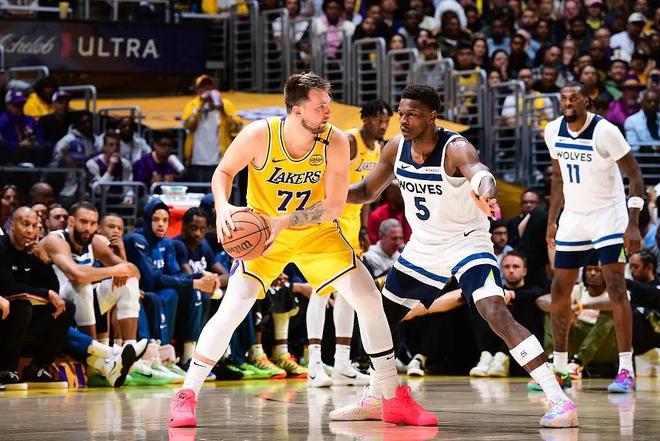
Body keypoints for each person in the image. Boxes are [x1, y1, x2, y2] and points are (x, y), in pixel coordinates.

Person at [169, 73, 435, 428]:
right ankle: (187, 394)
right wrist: (223, 206)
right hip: (264, 236)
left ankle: (390, 396)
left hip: (315, 233)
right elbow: (224, 172)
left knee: (370, 300)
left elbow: (334, 206)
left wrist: (284, 222)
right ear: (296, 110)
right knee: (233, 308)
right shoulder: (259, 134)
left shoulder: (335, 141)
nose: (328, 111)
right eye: (320, 106)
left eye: (329, 103)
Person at [336, 84, 577, 428]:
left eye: (412, 115)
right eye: (401, 114)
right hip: (423, 247)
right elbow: (365, 191)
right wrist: (330, 194)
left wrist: (486, 193)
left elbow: (481, 175)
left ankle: (558, 399)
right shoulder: (395, 148)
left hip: (468, 244)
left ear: (432, 116)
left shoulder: (456, 148)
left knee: (495, 312)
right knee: (380, 317)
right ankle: (377, 397)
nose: (403, 121)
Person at [543, 81, 645, 394]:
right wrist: (552, 220)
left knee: (616, 286)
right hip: (574, 216)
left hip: (608, 216)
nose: (567, 102)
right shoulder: (552, 130)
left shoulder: (606, 131)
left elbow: (635, 176)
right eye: (563, 98)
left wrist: (633, 223)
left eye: (574, 97)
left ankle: (626, 370)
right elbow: (558, 178)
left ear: (587, 100)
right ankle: (560, 369)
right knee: (559, 290)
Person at [306, 100, 392, 388]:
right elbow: (322, 180)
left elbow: (367, 195)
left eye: (386, 121)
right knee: (321, 290)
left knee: (349, 294)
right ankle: (314, 365)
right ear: (365, 119)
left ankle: (342, 364)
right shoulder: (350, 142)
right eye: (378, 120)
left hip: (352, 225)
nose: (383, 125)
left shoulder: (379, 149)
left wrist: (364, 228)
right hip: (329, 222)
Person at [125, 199, 218, 366]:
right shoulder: (136, 240)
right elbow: (153, 279)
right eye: (156, 219)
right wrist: (195, 282)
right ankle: (160, 355)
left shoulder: (167, 243)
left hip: (160, 290)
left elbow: (175, 274)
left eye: (165, 220)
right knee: (169, 294)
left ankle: (189, 356)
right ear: (147, 219)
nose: (161, 224)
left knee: (196, 295)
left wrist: (201, 276)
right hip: (142, 291)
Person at [42, 202, 142, 343]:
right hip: (55, 298)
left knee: (129, 282)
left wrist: (124, 272)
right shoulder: (55, 239)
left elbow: (135, 272)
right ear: (71, 221)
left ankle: (130, 346)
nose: (88, 228)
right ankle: (91, 346)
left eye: (93, 223)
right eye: (83, 222)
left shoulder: (94, 242)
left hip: (84, 298)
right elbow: (76, 275)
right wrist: (115, 271)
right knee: (82, 285)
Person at [0, 207, 74, 387]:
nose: (30, 230)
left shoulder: (33, 251)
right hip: (5, 314)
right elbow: (8, 287)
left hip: (24, 319)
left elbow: (54, 289)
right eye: (25, 224)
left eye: (34, 226)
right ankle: (7, 370)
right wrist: (45, 294)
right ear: (12, 225)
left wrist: (46, 261)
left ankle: (38, 367)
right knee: (22, 306)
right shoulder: (1, 247)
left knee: (66, 307)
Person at [536, 264, 619, 380]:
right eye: (589, 270)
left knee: (610, 314)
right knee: (553, 311)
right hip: (579, 337)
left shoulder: (615, 291)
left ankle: (577, 362)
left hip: (605, 344)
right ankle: (553, 359)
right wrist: (565, 310)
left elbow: (615, 303)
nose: (593, 273)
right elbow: (541, 300)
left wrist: (580, 306)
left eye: (597, 270)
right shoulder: (578, 289)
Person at [182, 75, 241, 183]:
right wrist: (200, 107)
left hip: (220, 161)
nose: (207, 89)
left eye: (210, 86)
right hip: (197, 160)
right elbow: (187, 125)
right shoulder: (192, 105)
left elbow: (237, 127)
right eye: (203, 87)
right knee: (198, 191)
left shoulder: (225, 104)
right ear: (197, 90)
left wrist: (223, 110)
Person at [86, 132, 134, 205]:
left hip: (119, 200)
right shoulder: (92, 164)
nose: (115, 148)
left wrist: (129, 196)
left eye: (117, 145)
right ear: (104, 147)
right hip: (99, 201)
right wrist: (110, 168)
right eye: (111, 145)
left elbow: (127, 186)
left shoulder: (125, 164)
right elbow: (99, 190)